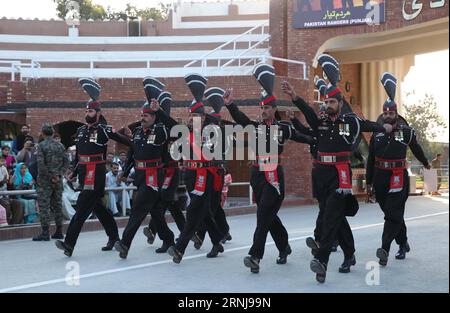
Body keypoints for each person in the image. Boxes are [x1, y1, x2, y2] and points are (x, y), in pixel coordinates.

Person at [283, 54, 391, 283]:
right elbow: (310, 115)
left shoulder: (349, 122)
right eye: (326, 102)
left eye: (332, 102)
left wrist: (385, 128)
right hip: (321, 174)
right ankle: (349, 255)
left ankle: (321, 260)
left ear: (339, 104)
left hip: (340, 175)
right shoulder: (320, 122)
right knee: (337, 217)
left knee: (332, 216)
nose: (327, 105)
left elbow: (369, 124)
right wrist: (295, 97)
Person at [225, 63, 314, 274]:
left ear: (274, 109)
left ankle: (255, 256)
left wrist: (317, 142)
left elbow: (302, 137)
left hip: (274, 176)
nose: (263, 111)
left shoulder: (283, 128)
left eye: (266, 107)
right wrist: (230, 104)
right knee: (268, 216)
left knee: (263, 216)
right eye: (261, 108)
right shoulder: (255, 127)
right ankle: (284, 246)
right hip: (257, 175)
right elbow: (241, 119)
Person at [55, 78, 130, 257]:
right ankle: (114, 237)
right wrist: (73, 171)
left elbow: (126, 142)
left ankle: (69, 244)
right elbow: (79, 155)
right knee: (98, 208)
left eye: (91, 110)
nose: (88, 112)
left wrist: (136, 150)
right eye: (87, 110)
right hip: (83, 172)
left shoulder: (104, 129)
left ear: (97, 112)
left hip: (96, 173)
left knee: (82, 207)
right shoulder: (80, 131)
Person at [367, 72, 430, 266]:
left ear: (396, 114)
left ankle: (384, 249)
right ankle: (403, 243)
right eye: (385, 113)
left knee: (393, 213)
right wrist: (369, 182)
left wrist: (426, 162)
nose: (388, 116)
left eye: (391, 113)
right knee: (392, 215)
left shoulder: (406, 132)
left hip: (398, 177)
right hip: (380, 177)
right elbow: (370, 159)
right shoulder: (376, 133)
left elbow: (416, 149)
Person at [167, 74, 227, 263]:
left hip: (204, 174)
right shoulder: (188, 134)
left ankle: (179, 249)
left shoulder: (211, 132)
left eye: (196, 115)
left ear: (203, 116)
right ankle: (217, 240)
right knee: (203, 212)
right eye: (191, 115)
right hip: (191, 174)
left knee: (193, 212)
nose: (193, 118)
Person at [114, 97, 177, 259]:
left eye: (147, 115)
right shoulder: (137, 132)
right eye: (142, 115)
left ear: (154, 117)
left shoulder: (162, 130)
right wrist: (125, 172)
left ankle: (125, 243)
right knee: (155, 211)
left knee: (138, 208)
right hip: (140, 175)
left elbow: (176, 127)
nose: (143, 118)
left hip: (153, 175)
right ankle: (169, 239)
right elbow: (131, 154)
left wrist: (159, 111)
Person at [33, 124, 69, 242]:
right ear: (53, 133)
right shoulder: (60, 145)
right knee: (57, 205)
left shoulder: (41, 146)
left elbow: (41, 164)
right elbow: (66, 162)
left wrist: (50, 176)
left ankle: (45, 232)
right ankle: (59, 231)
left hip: (45, 181)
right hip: (58, 180)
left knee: (44, 206)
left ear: (43, 133)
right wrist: (58, 175)